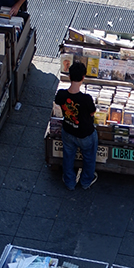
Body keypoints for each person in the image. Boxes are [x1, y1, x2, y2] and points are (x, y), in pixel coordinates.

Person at [54, 60, 98, 191]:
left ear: (69, 76)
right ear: (83, 78)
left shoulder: (61, 94)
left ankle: (69, 182)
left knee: (68, 157)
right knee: (89, 158)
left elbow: (58, 103)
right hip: (85, 135)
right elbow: (92, 112)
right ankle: (85, 181)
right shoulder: (86, 99)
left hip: (68, 131)